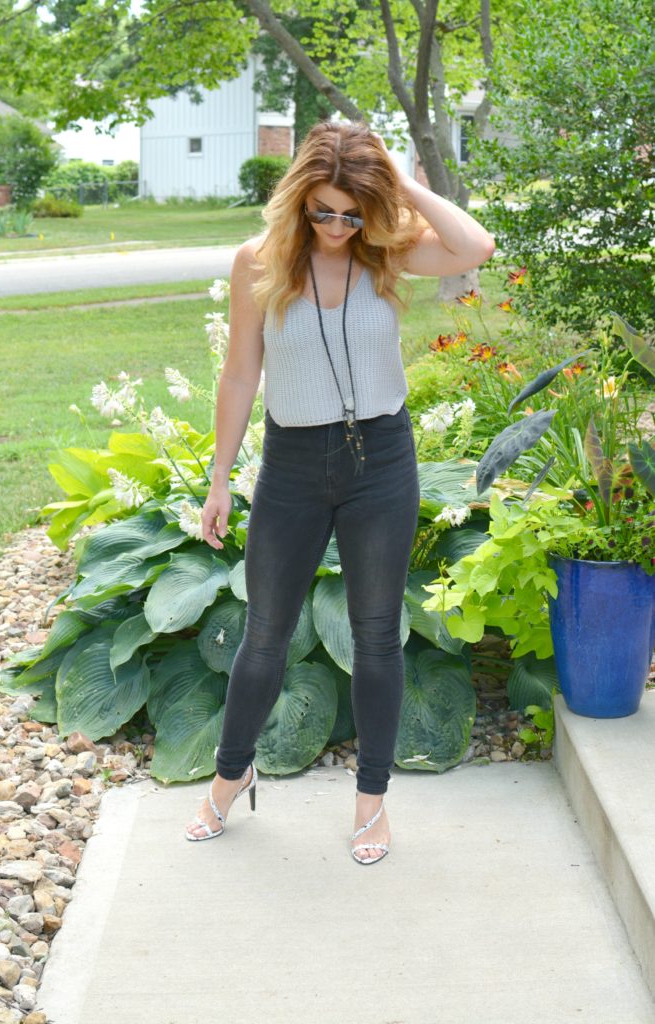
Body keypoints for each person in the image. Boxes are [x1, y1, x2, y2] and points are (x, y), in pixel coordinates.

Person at [185, 118, 495, 864]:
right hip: (291, 465)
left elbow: (474, 245)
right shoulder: (258, 262)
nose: (334, 226)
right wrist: (220, 479)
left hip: (380, 461)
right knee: (265, 635)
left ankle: (370, 802)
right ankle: (230, 777)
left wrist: (394, 176)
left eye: (349, 212)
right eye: (322, 210)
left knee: (377, 636)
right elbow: (238, 374)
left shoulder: (385, 251)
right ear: (298, 200)